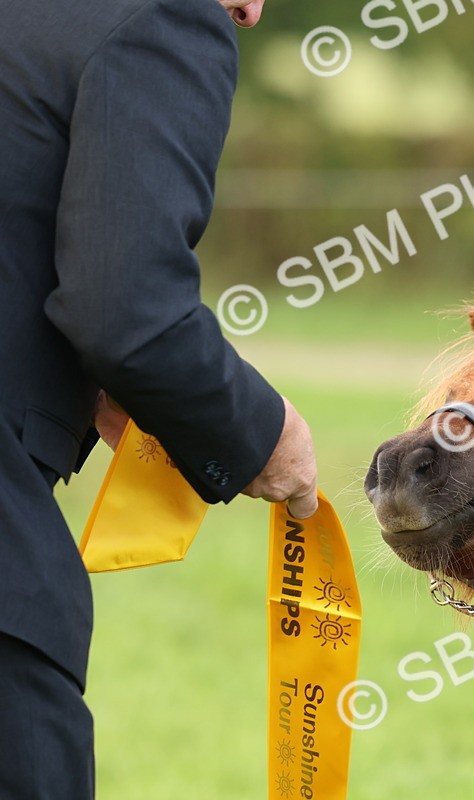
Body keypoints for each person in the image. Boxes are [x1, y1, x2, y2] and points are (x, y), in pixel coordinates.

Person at [0, 0, 316, 796]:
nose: (248, 10)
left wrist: (77, 377)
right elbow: (125, 309)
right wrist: (264, 434)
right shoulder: (159, 18)